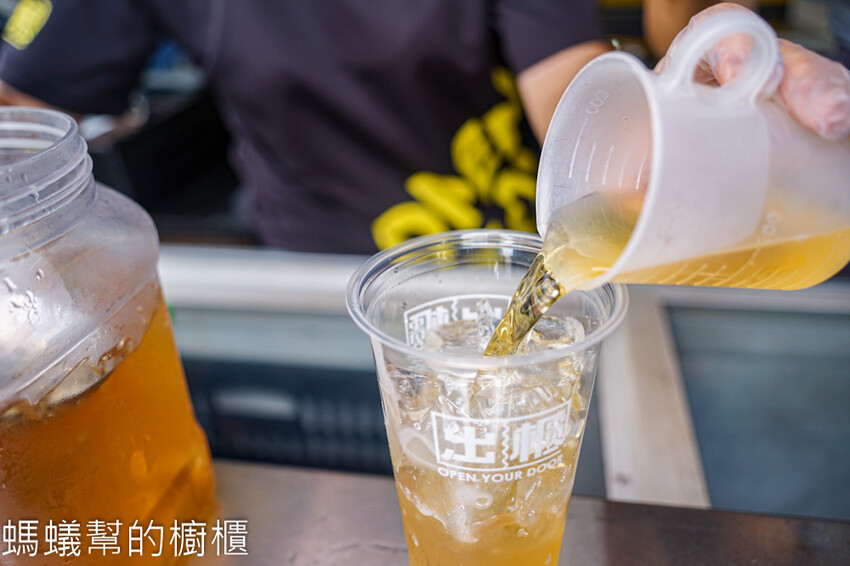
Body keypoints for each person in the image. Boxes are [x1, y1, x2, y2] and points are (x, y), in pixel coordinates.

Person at [0, 1, 846, 254]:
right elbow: (24, 101)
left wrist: (703, 126)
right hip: (325, 282)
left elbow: (575, 96)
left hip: (516, 249)